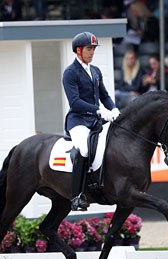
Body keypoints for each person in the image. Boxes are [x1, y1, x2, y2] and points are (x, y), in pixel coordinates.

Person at [62, 32, 120, 211]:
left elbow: (104, 95)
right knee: (84, 149)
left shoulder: (95, 71)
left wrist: (114, 109)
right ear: (78, 50)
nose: (92, 52)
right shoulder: (70, 73)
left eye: (93, 49)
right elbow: (75, 102)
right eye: (89, 49)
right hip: (78, 120)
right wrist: (98, 110)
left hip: (95, 120)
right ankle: (76, 197)